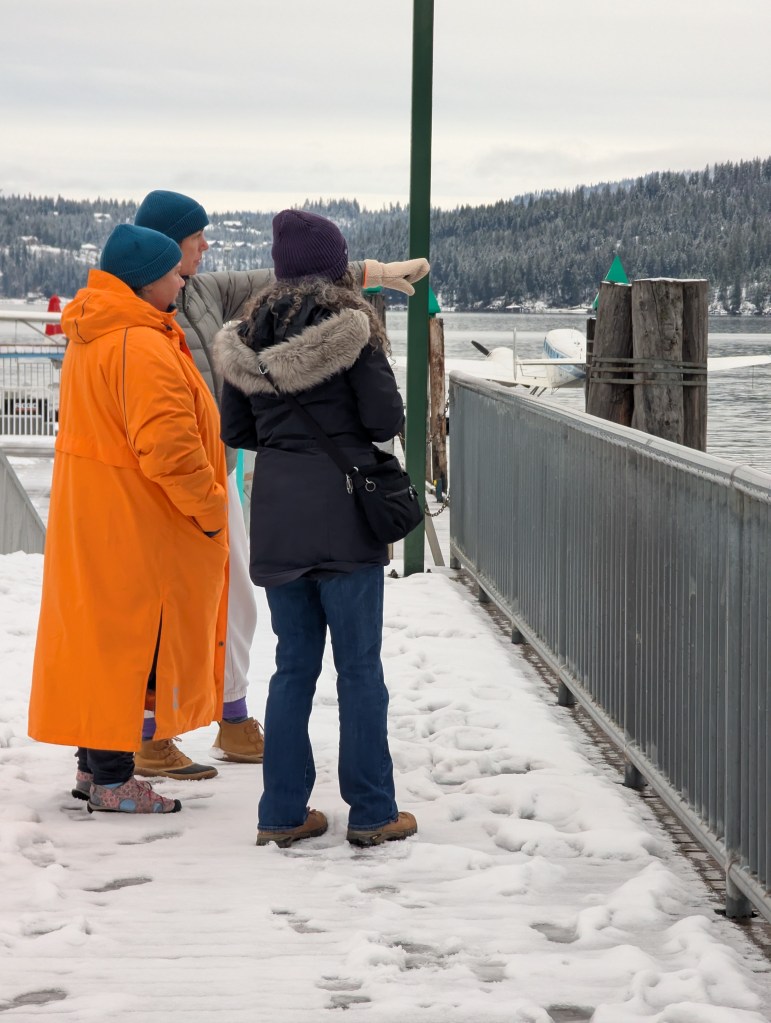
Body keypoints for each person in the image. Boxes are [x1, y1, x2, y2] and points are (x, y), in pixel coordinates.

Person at [132, 189, 430, 780]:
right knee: (168, 607)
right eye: (195, 237)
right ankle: (151, 731)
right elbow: (381, 417)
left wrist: (369, 271)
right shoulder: (145, 316)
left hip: (233, 481)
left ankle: (239, 728)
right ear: (167, 244)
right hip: (173, 478)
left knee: (250, 619)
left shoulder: (206, 296)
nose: (206, 246)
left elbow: (287, 277)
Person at [212, 209, 421, 847]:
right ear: (336, 269)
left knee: (293, 669)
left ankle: (281, 814)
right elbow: (384, 420)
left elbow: (236, 430)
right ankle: (373, 812)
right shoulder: (353, 330)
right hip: (347, 517)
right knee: (359, 670)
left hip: (279, 519)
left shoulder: (245, 337)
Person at [28, 224, 229, 814]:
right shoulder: (139, 345)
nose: (182, 281)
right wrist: (212, 508)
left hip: (101, 513)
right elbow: (169, 449)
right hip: (141, 521)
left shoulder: (95, 332)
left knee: (102, 640)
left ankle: (94, 769)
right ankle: (114, 780)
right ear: (144, 283)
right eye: (172, 274)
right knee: (132, 649)